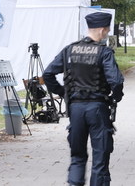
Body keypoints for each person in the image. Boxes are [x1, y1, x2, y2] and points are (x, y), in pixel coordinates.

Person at [43, 12, 124, 186]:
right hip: (98, 109)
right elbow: (116, 81)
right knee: (100, 159)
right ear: (102, 30)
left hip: (76, 109)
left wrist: (64, 93)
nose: (108, 32)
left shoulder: (69, 50)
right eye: (108, 30)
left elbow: (47, 74)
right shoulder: (104, 52)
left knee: (77, 157)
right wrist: (115, 98)